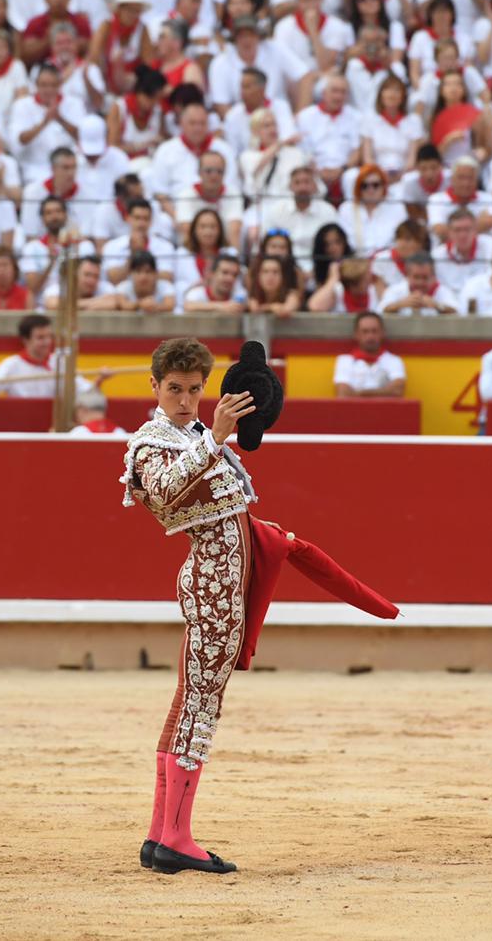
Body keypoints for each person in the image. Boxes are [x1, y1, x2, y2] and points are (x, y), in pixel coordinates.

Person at [120, 336, 396, 876]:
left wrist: (226, 432)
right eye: (173, 389)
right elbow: (166, 494)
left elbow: (231, 499)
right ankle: (175, 836)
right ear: (154, 387)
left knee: (191, 704)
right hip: (213, 586)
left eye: (194, 390)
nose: (184, 399)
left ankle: (162, 836)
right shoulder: (151, 443)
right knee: (199, 707)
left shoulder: (195, 433)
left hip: (226, 584)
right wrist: (215, 440)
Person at [0, 314, 95, 399]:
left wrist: (100, 380)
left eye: (49, 336)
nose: (47, 342)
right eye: (40, 338)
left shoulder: (59, 361)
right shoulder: (12, 364)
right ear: (25, 340)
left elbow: (85, 391)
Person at [332, 312, 406, 397]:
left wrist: (359, 393)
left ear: (382, 333)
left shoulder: (394, 360)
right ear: (356, 334)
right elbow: (343, 394)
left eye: (374, 331)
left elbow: (397, 391)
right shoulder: (344, 360)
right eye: (365, 331)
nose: (370, 336)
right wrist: (384, 392)